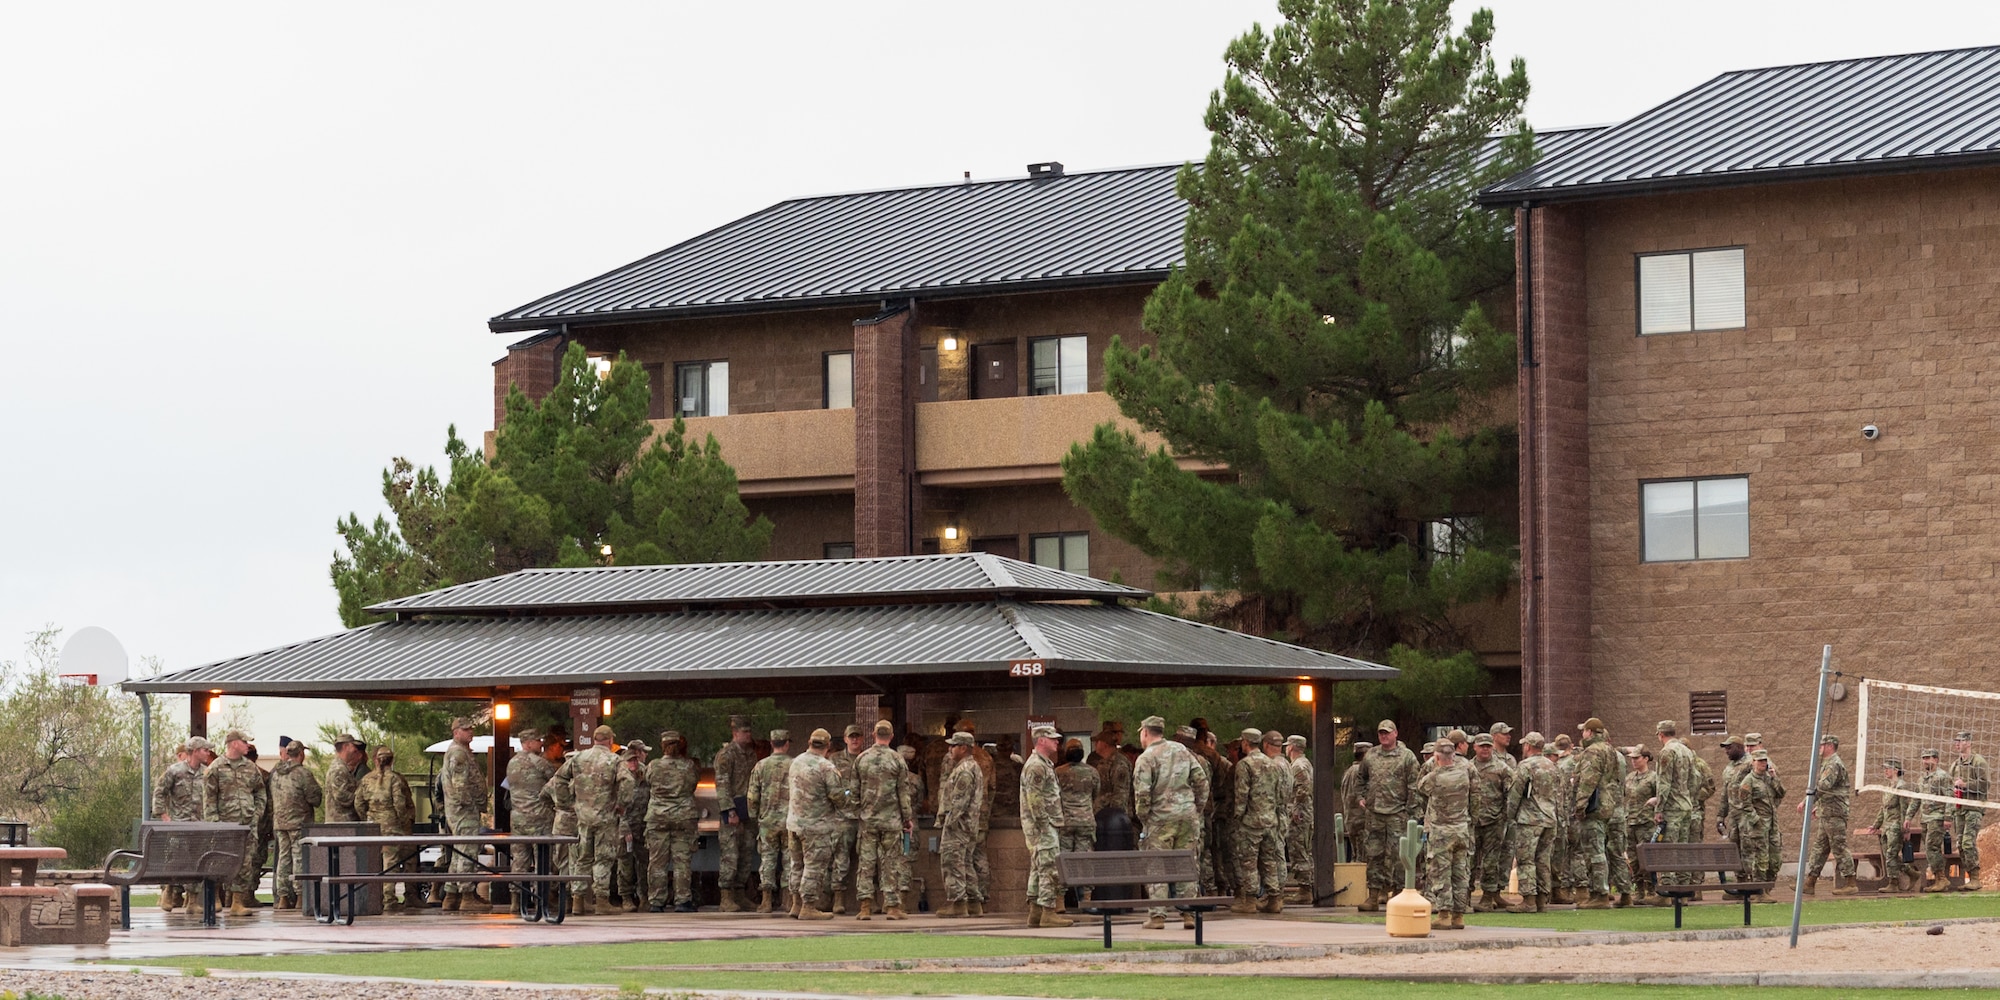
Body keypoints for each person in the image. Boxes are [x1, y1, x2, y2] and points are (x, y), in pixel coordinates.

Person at [1132, 714, 1209, 930]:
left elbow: (1142, 794)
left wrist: (1144, 818)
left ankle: (1157, 915)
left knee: (1156, 865)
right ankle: (1189, 914)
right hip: (1187, 817)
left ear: (1145, 733)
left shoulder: (1146, 758)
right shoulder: (1181, 750)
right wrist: (1196, 808)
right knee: (1186, 863)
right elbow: (1201, 781)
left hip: (1160, 819)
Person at [546, 724, 631, 915]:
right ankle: (601, 900)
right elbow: (628, 781)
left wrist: (567, 803)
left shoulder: (579, 758)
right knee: (603, 857)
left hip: (582, 816)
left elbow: (559, 779)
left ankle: (578, 900)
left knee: (582, 858)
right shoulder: (614, 760)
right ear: (609, 741)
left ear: (594, 739)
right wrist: (622, 804)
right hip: (605, 817)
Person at [201, 729, 269, 917]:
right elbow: (209, 799)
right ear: (233, 743)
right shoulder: (216, 768)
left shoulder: (250, 768)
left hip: (247, 825)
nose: (247, 745)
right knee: (219, 861)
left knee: (245, 862)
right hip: (224, 825)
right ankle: (215, 898)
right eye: (244, 742)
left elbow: (260, 792)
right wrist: (214, 823)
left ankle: (237, 902)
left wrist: (257, 814)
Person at [1354, 720, 1419, 913]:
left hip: (1397, 813)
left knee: (1399, 856)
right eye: (1381, 733)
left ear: (1395, 734)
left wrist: (1411, 810)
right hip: (1374, 814)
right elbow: (1361, 777)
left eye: (1387, 733)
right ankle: (1373, 896)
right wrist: (1361, 797)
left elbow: (1414, 784)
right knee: (1374, 854)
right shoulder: (1371, 755)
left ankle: (1400, 895)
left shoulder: (1407, 757)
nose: (1384, 736)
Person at [787, 728, 851, 919]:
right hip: (816, 825)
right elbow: (837, 797)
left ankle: (795, 904)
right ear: (828, 746)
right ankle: (808, 906)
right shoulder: (826, 767)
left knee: (796, 864)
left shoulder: (795, 762)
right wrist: (846, 796)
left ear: (809, 742)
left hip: (794, 823)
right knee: (814, 866)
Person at [854, 720, 914, 920]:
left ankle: (864, 907)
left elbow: (853, 792)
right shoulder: (897, 760)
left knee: (866, 863)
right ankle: (892, 907)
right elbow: (903, 793)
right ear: (891, 736)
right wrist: (907, 818)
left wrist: (858, 812)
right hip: (891, 820)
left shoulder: (861, 759)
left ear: (873, 734)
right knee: (890, 863)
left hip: (868, 820)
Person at [1019, 724, 1075, 927]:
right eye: (1052, 738)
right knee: (1049, 869)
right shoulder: (1037, 766)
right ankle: (1048, 912)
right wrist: (1044, 826)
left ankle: (1035, 912)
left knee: (1038, 867)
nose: (1057, 742)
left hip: (1043, 825)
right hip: (1043, 826)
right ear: (1041, 740)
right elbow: (1035, 801)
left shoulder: (1042, 763)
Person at [1417, 738, 1473, 929]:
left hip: (1441, 830)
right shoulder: (1464, 773)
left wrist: (1435, 767)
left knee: (1441, 873)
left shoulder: (1434, 777)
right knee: (1460, 873)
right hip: (1461, 829)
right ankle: (1459, 916)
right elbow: (1476, 796)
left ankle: (1443, 914)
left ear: (1437, 757)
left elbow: (1421, 787)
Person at [1233, 729, 1290, 913]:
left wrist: (1237, 817)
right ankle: (1274, 899)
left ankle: (1249, 900)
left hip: (1251, 822)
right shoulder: (1272, 764)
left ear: (1245, 742)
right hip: (1270, 821)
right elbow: (1280, 793)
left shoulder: (1245, 765)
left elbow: (1242, 795)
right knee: (1269, 861)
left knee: (1249, 861)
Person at [354, 745, 416, 910]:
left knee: (376, 863)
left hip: (373, 827)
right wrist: (403, 823)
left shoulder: (366, 779)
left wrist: (368, 818)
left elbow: (358, 803)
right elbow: (400, 804)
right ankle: (389, 900)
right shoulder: (395, 779)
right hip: (392, 826)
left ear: (376, 759)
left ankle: (375, 899)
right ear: (392, 760)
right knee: (391, 863)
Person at [153, 737, 211, 913]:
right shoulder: (175, 771)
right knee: (175, 859)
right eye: (205, 750)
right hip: (179, 824)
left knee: (197, 861)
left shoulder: (207, 773)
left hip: (199, 824)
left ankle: (192, 900)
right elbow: (160, 791)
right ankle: (168, 891)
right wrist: (163, 815)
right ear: (195, 751)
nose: (208, 753)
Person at [437, 717, 488, 912]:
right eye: (465, 730)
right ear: (456, 732)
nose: (470, 732)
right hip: (463, 811)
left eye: (471, 729)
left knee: (459, 852)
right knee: (467, 851)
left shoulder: (460, 751)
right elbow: (459, 787)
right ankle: (467, 895)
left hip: (459, 811)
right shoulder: (458, 753)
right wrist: (470, 805)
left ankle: (451, 895)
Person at [645, 731, 700, 912]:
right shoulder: (689, 766)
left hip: (658, 817)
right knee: (682, 860)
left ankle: (656, 901)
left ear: (663, 746)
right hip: (683, 817)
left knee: (657, 861)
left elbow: (648, 783)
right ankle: (683, 901)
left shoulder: (653, 766)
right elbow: (692, 786)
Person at [1569, 718, 1621, 909]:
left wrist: (1580, 806)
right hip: (1607, 804)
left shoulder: (1592, 751)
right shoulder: (1610, 750)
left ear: (1590, 732)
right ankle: (1599, 891)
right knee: (1600, 849)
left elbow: (1588, 781)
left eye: (1584, 731)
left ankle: (1599, 893)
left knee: (1594, 851)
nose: (1582, 734)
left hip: (1595, 806)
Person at [1504, 733, 1558, 912]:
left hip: (1530, 820)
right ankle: (1542, 898)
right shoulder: (1552, 766)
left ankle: (1528, 900)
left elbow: (1515, 793)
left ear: (1528, 746)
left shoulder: (1525, 765)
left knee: (1525, 859)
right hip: (1550, 818)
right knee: (1543, 859)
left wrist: (1510, 816)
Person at [268, 740, 323, 910]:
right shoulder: (303, 774)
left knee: (283, 859)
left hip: (280, 822)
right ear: (300, 754)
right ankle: (300, 896)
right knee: (299, 857)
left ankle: (283, 897)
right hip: (299, 822)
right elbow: (315, 798)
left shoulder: (276, 773)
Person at [934, 731, 984, 918]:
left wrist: (948, 823)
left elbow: (959, 803)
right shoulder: (973, 767)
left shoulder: (964, 770)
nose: (950, 749)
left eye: (953, 746)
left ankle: (958, 904)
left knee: (952, 862)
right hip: (969, 825)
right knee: (965, 863)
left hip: (958, 826)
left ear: (963, 748)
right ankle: (973, 903)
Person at [713, 715, 760, 912]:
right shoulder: (726, 755)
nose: (748, 735)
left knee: (746, 854)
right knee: (730, 855)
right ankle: (726, 896)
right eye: (744, 732)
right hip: (733, 810)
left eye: (749, 731)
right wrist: (729, 809)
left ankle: (740, 894)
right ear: (735, 733)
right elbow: (722, 784)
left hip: (748, 810)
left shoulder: (750, 754)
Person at [1800, 734, 1857, 895]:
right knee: (1820, 848)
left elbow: (1824, 786)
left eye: (1822, 745)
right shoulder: (1827, 763)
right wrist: (1817, 807)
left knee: (1839, 846)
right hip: (1827, 812)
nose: (1819, 748)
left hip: (1835, 812)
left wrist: (1807, 801)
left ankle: (1851, 882)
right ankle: (1810, 882)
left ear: (1830, 746)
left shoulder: (1834, 764)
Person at [747, 729, 795, 914]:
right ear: (787, 743)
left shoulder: (760, 766)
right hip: (789, 821)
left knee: (767, 859)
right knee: (789, 860)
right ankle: (788, 900)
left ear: (772, 743)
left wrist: (754, 815)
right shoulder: (794, 765)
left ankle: (766, 901)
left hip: (767, 821)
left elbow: (752, 796)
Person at [1652, 721, 1701, 898]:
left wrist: (1659, 809)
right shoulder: (1688, 751)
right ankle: (1685, 889)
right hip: (1686, 806)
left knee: (1668, 848)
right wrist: (1690, 799)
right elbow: (1695, 780)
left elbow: (1663, 783)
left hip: (1672, 808)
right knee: (1683, 848)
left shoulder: (1667, 752)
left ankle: (1668, 890)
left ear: (1661, 734)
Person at [507, 729, 557, 891]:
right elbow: (556, 783)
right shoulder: (539, 763)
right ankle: (542, 897)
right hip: (539, 818)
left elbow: (508, 788)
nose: (541, 743)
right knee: (542, 860)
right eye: (537, 740)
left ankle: (516, 899)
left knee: (520, 859)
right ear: (528, 743)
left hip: (518, 819)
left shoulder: (511, 763)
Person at [1466, 734, 1511, 911]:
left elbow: (1510, 793)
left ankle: (1488, 896)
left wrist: (1505, 816)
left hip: (1494, 822)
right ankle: (1465, 895)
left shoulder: (1502, 768)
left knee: (1491, 861)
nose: (1485, 749)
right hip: (1472, 821)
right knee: (1468, 860)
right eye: (1481, 746)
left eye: (1488, 746)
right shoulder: (1467, 767)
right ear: (1474, 747)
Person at [828, 724, 867, 915]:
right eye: (851, 737)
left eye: (858, 737)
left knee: (867, 859)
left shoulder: (867, 759)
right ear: (845, 739)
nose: (855, 740)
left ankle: (868, 900)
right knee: (840, 858)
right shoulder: (833, 760)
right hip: (841, 817)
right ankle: (838, 898)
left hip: (863, 817)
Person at [1729, 750, 1778, 896]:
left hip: (1772, 824)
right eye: (1759, 761)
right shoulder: (1748, 781)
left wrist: (1775, 778)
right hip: (1758, 826)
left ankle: (1767, 888)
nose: (1763, 763)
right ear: (1753, 762)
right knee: (1760, 858)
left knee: (1775, 858)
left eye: (1764, 761)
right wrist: (1756, 820)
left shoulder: (1768, 779)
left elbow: (1781, 793)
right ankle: (1759, 891)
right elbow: (1745, 804)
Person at [1863, 757, 1916, 892]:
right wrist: (1876, 824)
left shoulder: (1901, 786)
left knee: (1891, 854)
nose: (1885, 771)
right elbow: (1883, 808)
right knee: (1888, 855)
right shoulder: (1888, 787)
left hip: (1896, 825)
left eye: (1888, 768)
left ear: (1896, 770)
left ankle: (1893, 883)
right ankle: (1911, 873)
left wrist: (1906, 829)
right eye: (1885, 768)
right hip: (1886, 825)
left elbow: (1905, 808)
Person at [614, 740, 652, 911]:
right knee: (625, 864)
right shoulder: (619, 780)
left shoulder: (645, 776)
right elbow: (616, 807)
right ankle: (626, 897)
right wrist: (624, 828)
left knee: (645, 863)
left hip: (643, 827)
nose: (634, 763)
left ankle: (645, 896)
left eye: (636, 760)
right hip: (625, 827)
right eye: (630, 761)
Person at [1950, 731, 1987, 891]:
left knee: (1968, 842)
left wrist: (1965, 785)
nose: (1957, 743)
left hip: (1973, 808)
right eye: (1956, 741)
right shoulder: (1955, 765)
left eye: (1960, 741)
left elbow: (1985, 785)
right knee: (1960, 844)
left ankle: (1975, 877)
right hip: (1959, 809)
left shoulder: (1978, 762)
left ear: (1969, 743)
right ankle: (1970, 877)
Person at [1623, 746, 1658, 903]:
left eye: (1637, 758)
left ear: (1645, 759)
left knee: (1647, 857)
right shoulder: (1629, 777)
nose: (1634, 761)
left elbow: (1661, 797)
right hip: (1630, 821)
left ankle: (1651, 890)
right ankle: (1639, 890)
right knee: (1633, 858)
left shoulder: (1653, 778)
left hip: (1646, 822)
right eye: (1632, 758)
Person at [1918, 749, 1956, 891]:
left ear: (1936, 760)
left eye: (1928, 758)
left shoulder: (1943, 777)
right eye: (1923, 758)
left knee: (1931, 847)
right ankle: (1939, 878)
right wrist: (1909, 817)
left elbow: (1950, 798)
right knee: (1929, 850)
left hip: (1937, 817)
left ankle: (1941, 878)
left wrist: (1947, 817)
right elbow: (1917, 799)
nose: (1925, 761)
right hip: (1925, 818)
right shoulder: (1922, 778)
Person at [1284, 734, 1314, 898]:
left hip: (1300, 814)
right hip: (1303, 811)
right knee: (1303, 849)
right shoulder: (1303, 763)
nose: (1286, 748)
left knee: (1299, 849)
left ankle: (1305, 889)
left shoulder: (1298, 766)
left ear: (1292, 747)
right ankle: (1307, 886)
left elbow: (1304, 788)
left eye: (1288, 745)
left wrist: (1296, 809)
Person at [1340, 740, 1370, 865]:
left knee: (1355, 855)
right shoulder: (1362, 772)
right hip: (1362, 820)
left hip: (1351, 819)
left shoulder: (1348, 771)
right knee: (1363, 859)